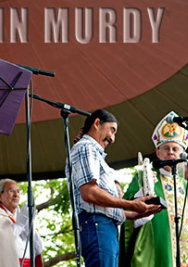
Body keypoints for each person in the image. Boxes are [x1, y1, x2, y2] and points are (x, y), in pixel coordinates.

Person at [120, 111, 188, 267]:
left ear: (183, 154)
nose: (171, 152)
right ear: (157, 152)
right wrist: (143, 192)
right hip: (158, 258)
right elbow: (128, 215)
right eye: (166, 148)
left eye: (175, 149)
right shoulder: (144, 178)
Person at [67, 109, 161, 267]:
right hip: (97, 225)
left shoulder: (93, 152)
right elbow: (89, 193)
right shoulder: (86, 148)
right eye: (112, 130)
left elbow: (103, 205)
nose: (113, 138)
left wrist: (137, 212)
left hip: (103, 226)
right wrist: (131, 204)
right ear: (97, 123)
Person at [0, 179, 44, 267]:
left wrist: (29, 226)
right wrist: (20, 224)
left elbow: (38, 247)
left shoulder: (19, 214)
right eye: (11, 191)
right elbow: (1, 243)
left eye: (18, 191)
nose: (16, 195)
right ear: (0, 195)